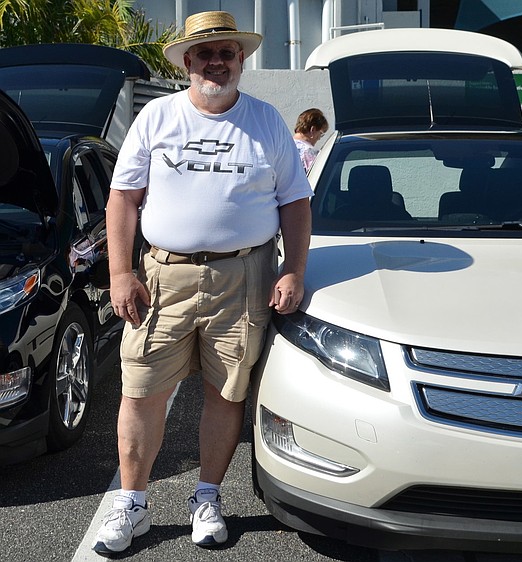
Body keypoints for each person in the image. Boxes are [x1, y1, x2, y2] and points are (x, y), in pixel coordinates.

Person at [92, 10, 312, 556]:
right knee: (141, 390)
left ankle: (206, 498)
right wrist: (121, 272)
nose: (217, 62)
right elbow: (123, 199)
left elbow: (296, 203)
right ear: (188, 62)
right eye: (206, 53)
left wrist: (293, 270)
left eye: (227, 53)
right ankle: (133, 504)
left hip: (245, 277)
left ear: (241, 60)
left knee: (225, 391)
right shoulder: (156, 119)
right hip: (162, 276)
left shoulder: (266, 122)